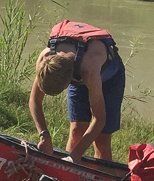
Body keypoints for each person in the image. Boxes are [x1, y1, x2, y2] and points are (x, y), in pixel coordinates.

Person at [29, 20, 126, 163]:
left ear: (68, 83)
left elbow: (99, 119)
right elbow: (34, 100)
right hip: (76, 68)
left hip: (109, 79)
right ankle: (66, 174)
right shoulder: (46, 60)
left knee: (101, 139)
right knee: (76, 130)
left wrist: (76, 154)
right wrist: (44, 135)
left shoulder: (89, 69)